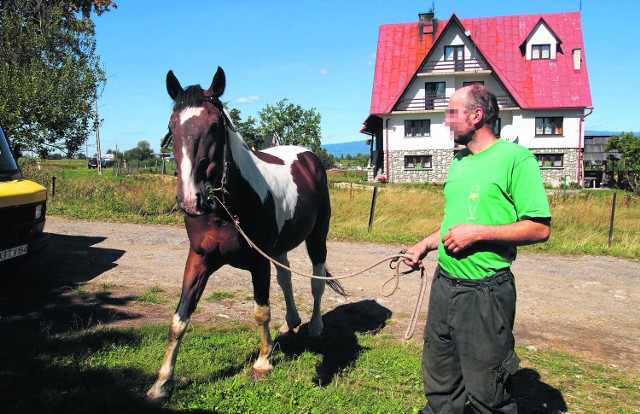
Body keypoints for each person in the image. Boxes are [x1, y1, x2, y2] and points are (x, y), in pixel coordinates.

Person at [405, 84, 551, 414]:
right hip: (445, 287)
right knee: (440, 380)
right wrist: (426, 244)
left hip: (485, 294)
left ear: (476, 116)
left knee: (488, 390)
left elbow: (540, 228)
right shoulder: (458, 163)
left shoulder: (516, 159)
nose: (446, 121)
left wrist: (479, 234)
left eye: (452, 113)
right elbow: (454, 223)